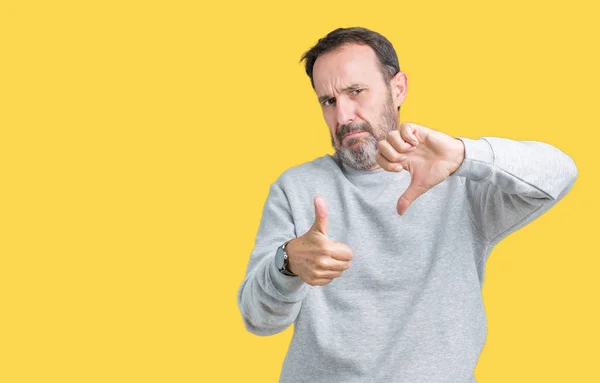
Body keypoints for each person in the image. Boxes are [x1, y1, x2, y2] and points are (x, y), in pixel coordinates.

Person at [237, 27, 578, 383]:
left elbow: (560, 172)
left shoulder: (459, 179)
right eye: (329, 101)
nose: (343, 116)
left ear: (397, 89)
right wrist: (287, 263)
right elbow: (258, 320)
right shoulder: (295, 189)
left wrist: (466, 154)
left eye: (356, 92)